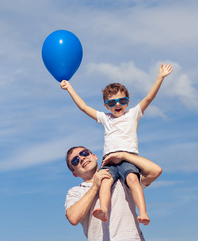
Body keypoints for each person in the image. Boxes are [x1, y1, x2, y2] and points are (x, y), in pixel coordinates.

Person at [61, 64, 173, 225]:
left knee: (133, 181)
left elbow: (149, 98)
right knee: (104, 183)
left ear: (128, 101)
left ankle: (143, 212)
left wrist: (160, 78)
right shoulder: (106, 118)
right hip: (110, 160)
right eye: (112, 103)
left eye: (122, 100)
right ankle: (104, 210)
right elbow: (84, 107)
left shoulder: (133, 114)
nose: (117, 105)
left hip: (129, 159)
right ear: (106, 105)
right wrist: (69, 88)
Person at [65, 146, 163, 241]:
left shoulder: (122, 179)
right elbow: (73, 217)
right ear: (74, 173)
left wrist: (124, 155)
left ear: (94, 156)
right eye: (76, 160)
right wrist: (96, 185)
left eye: (84, 153)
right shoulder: (75, 193)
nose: (82, 158)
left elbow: (154, 171)